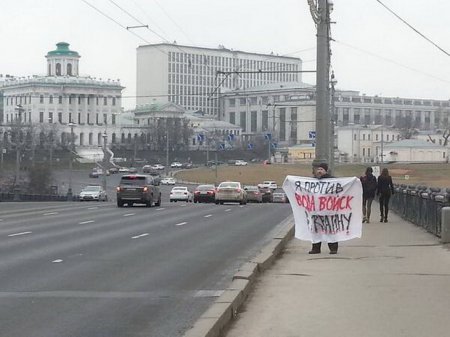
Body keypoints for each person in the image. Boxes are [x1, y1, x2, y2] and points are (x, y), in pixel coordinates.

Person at [308, 162, 339, 255]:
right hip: (316, 210)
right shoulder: (313, 181)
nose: (319, 171)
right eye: (318, 169)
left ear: (325, 171)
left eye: (321, 169)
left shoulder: (331, 180)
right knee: (316, 230)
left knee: (330, 229)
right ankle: (316, 248)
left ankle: (333, 248)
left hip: (328, 210)